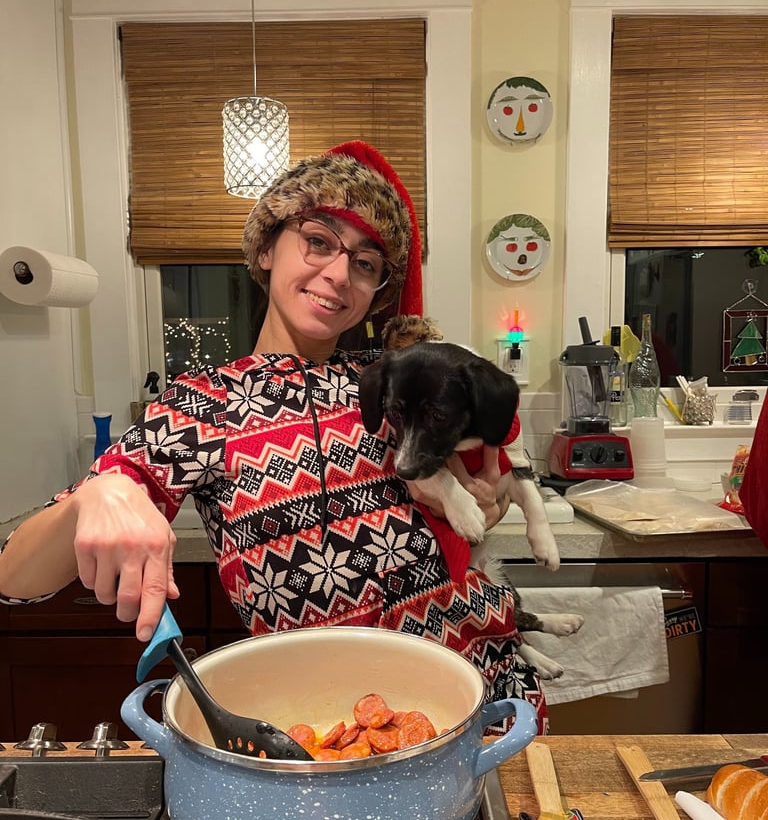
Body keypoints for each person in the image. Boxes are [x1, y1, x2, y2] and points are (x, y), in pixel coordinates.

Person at [0, 141, 548, 734]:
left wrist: (489, 500)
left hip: (493, 696)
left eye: (365, 263)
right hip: (337, 731)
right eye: (318, 241)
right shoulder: (201, 406)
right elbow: (14, 580)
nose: (338, 274)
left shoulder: (396, 382)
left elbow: (487, 464)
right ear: (266, 248)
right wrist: (96, 495)